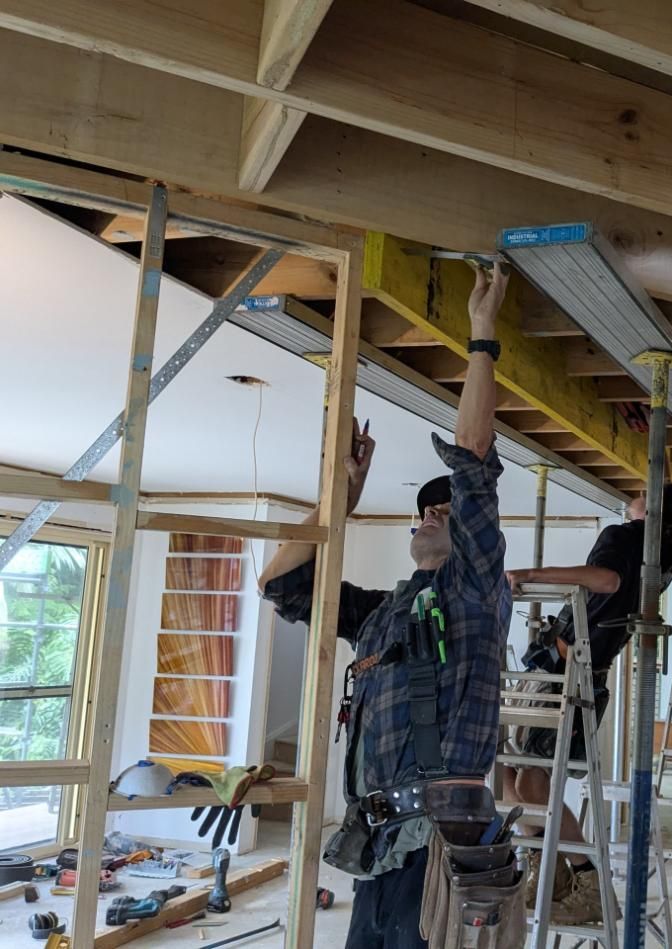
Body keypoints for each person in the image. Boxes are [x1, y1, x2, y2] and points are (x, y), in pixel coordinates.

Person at [259, 265, 512, 949]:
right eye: (422, 506)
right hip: (376, 846)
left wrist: (481, 335)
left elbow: (473, 457)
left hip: (440, 848)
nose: (431, 511)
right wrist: (336, 501)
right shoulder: (381, 611)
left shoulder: (475, 591)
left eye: (445, 507)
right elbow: (280, 584)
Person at [501, 485, 672, 925]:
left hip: (567, 675)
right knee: (509, 775)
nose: (638, 492)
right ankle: (549, 874)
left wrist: (532, 574)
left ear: (654, 512)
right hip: (580, 673)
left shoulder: (624, 535)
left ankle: (587, 882)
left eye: (647, 492)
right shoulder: (662, 557)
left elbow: (605, 580)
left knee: (529, 783)